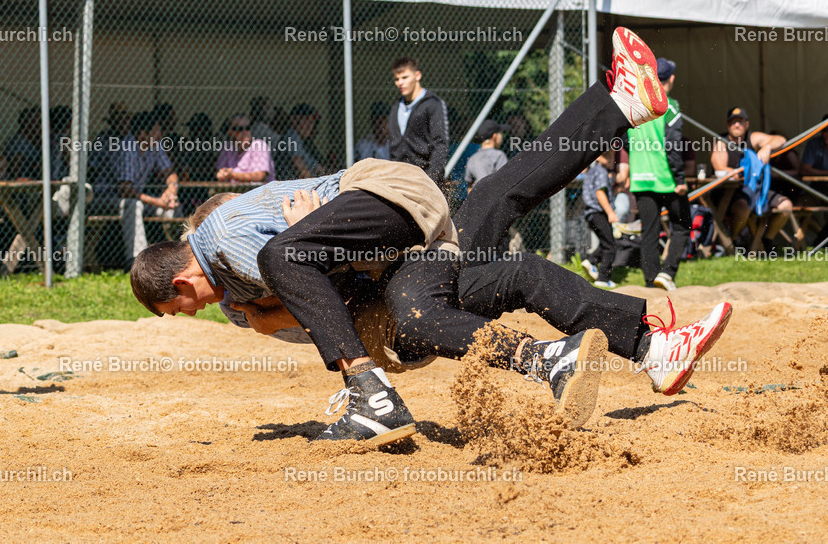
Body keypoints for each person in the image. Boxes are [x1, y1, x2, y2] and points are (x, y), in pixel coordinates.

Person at [131, 29, 732, 443]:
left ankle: (552, 358)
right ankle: (656, 346)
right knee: (505, 226)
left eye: (176, 308)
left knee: (419, 304)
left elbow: (309, 276)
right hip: (407, 258)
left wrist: (305, 233)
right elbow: (330, 311)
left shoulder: (235, 247)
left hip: (396, 239)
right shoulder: (243, 309)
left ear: (182, 280)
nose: (186, 316)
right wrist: (273, 308)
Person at [625, 57, 690, 291]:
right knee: (682, 226)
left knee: (649, 231)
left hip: (641, 178)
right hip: (666, 179)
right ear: (670, 79)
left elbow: (623, 138)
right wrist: (680, 179)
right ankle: (668, 272)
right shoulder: (670, 106)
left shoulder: (636, 106)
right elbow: (673, 145)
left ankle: (650, 282)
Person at [711, 107, 794, 247]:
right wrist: (735, 172)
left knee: (786, 206)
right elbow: (719, 168)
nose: (737, 125)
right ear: (727, 125)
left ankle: (766, 241)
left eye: (740, 122)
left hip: (755, 190)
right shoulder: (721, 142)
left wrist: (767, 147)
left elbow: (780, 139)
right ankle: (734, 241)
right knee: (743, 207)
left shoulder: (752, 137)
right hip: (731, 193)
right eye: (733, 122)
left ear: (746, 124)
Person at [117, 111, 179, 269]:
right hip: (110, 198)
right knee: (132, 204)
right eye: (156, 131)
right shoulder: (129, 148)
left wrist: (170, 192)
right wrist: (156, 201)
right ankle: (137, 259)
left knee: (174, 208)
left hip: (140, 196)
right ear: (143, 134)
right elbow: (124, 190)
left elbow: (170, 173)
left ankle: (178, 257)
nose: (160, 135)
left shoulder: (154, 146)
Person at [388, 57, 449, 186]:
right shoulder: (396, 107)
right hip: (399, 179)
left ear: (417, 75)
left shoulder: (433, 103)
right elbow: (394, 146)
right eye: (397, 79)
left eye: (405, 77)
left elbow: (440, 144)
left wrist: (432, 180)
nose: (400, 83)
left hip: (424, 179)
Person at [579, 150, 620, 288]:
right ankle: (603, 277)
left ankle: (591, 261)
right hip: (599, 213)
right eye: (607, 155)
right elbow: (599, 192)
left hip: (590, 214)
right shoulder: (601, 172)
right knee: (610, 245)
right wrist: (610, 213)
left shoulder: (592, 171)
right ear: (597, 156)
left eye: (612, 155)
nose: (610, 158)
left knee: (605, 242)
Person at [215, 113, 275, 183]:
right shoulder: (228, 147)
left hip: (260, 192)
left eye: (247, 128)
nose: (245, 132)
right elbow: (220, 171)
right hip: (234, 191)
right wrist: (222, 174)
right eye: (240, 129)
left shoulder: (259, 145)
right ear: (231, 132)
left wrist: (232, 175)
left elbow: (260, 175)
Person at [280, 104, 324, 179]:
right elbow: (298, 163)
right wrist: (312, 183)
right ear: (294, 120)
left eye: (312, 121)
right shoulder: (292, 136)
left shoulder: (306, 142)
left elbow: (318, 168)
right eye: (306, 120)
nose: (310, 125)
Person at [464, 119, 509, 188]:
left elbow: (470, 186)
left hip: (477, 197)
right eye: (500, 133)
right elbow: (504, 180)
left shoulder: (473, 158)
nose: (501, 137)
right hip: (494, 195)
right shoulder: (499, 155)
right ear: (494, 136)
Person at [5, 106, 41, 179]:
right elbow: (15, 169)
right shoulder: (18, 143)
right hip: (24, 178)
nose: (41, 125)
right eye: (38, 121)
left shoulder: (38, 139)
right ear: (27, 123)